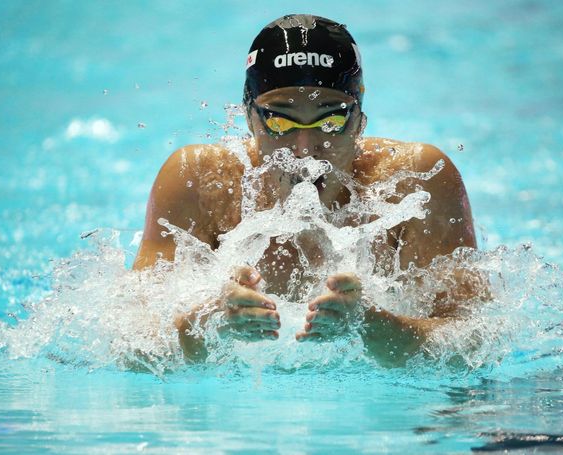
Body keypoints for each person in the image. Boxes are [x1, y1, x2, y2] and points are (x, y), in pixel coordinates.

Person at [133, 14, 484, 366]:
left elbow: (477, 342)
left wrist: (374, 326)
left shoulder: (415, 181)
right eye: (280, 121)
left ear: (360, 117)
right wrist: (209, 323)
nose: (304, 148)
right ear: (249, 117)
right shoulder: (199, 183)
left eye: (330, 121)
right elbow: (131, 344)